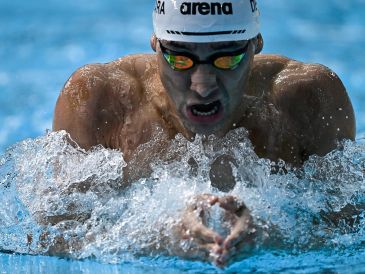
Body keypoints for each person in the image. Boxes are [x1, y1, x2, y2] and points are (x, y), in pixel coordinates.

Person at [52, 0, 356, 267]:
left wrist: (270, 232)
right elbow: (52, 235)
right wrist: (162, 235)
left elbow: (351, 230)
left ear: (256, 45)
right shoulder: (100, 100)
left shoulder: (309, 99)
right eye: (180, 58)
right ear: (156, 44)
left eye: (227, 59)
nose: (203, 85)